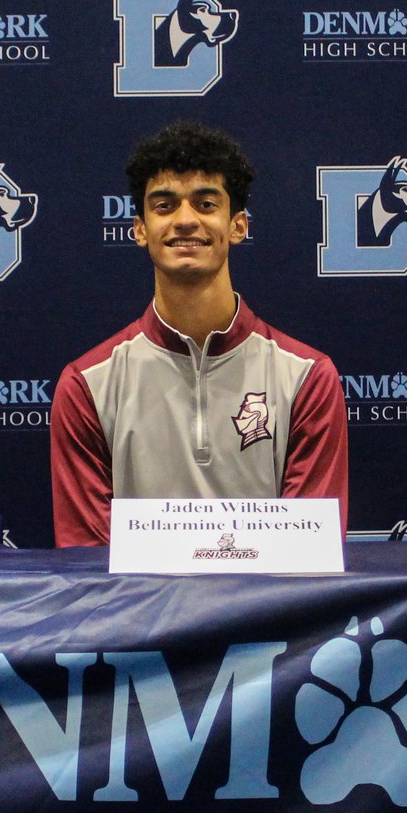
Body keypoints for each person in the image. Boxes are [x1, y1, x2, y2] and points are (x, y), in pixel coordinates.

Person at [50, 120, 348, 546]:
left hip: (266, 614)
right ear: (139, 229)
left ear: (238, 226)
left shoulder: (307, 378)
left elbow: (308, 556)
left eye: (206, 204)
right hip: (139, 614)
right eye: (165, 205)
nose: (185, 220)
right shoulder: (86, 385)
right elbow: (90, 564)